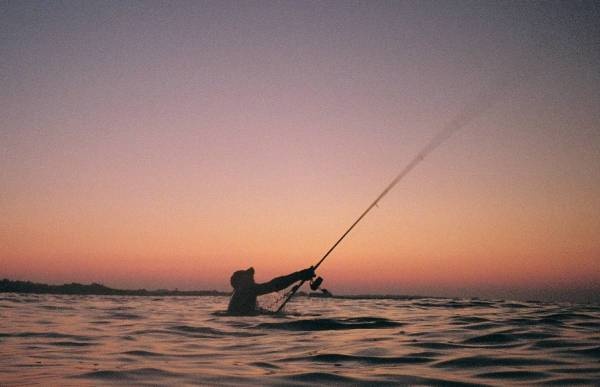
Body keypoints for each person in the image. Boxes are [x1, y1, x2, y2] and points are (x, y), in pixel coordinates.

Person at [227, 266, 315, 315]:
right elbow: (274, 285)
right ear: (241, 282)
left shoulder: (239, 293)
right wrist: (300, 275)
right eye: (249, 277)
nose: (253, 280)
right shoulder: (246, 290)